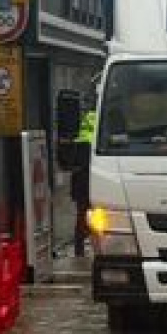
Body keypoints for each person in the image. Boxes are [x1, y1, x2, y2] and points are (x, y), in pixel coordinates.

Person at [71, 105, 96, 257]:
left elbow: (73, 164)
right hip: (95, 184)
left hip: (81, 185)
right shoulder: (101, 137)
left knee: (81, 216)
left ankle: (79, 250)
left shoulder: (80, 139)